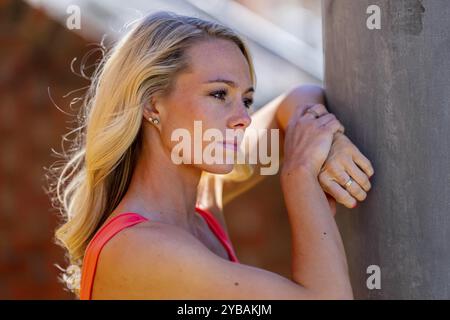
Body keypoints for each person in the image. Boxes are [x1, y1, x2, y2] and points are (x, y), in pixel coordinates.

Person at [48, 11, 374, 299]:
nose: (243, 118)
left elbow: (298, 98)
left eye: (246, 100)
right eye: (219, 94)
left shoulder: (202, 201)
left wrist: (332, 143)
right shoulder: (140, 247)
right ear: (152, 104)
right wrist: (301, 173)